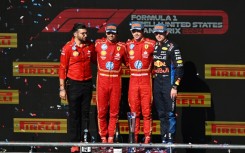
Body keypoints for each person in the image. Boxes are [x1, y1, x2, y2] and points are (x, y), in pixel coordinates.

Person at [59, 23, 96, 153]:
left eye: (86, 33)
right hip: (73, 84)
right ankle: (74, 143)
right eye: (83, 33)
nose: (85, 35)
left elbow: (98, 60)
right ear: (75, 34)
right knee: (74, 114)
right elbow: (62, 68)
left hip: (87, 83)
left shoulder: (90, 46)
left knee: (85, 114)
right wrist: (62, 88)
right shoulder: (67, 48)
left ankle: (84, 140)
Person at [152, 23, 184, 145]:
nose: (159, 35)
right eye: (156, 33)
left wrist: (175, 86)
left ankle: (170, 141)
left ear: (166, 33)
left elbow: (180, 68)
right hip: (157, 83)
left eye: (161, 33)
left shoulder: (173, 47)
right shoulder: (154, 46)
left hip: (169, 84)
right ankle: (163, 140)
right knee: (161, 114)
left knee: (170, 114)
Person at [95, 23, 127, 143]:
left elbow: (128, 62)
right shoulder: (98, 44)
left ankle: (111, 138)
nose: (111, 35)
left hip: (115, 82)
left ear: (117, 34)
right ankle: (103, 137)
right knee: (101, 111)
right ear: (105, 33)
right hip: (102, 82)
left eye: (113, 33)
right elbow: (93, 58)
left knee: (114, 112)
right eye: (108, 32)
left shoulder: (122, 47)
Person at [126, 21, 155, 143]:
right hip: (133, 80)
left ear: (143, 31)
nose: (136, 33)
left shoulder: (151, 43)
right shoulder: (127, 45)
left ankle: (147, 139)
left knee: (147, 112)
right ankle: (134, 139)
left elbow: (159, 61)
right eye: (134, 31)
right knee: (134, 112)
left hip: (145, 81)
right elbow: (124, 61)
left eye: (138, 31)